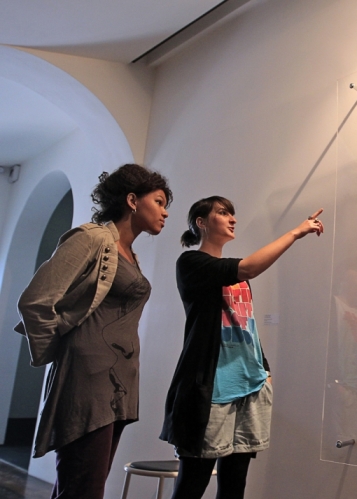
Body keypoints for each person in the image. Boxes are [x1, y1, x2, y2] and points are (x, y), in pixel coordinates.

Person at [14, 164, 172, 499]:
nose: (165, 212)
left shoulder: (130, 254)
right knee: (84, 486)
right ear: (132, 200)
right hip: (90, 378)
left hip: (120, 381)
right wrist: (63, 350)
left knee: (84, 483)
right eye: (159, 201)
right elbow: (35, 302)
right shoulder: (93, 239)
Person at [160, 196, 324, 499]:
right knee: (193, 482)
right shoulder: (192, 263)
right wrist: (295, 232)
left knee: (235, 483)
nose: (232, 219)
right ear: (201, 222)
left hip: (250, 386)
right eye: (223, 213)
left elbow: (245, 326)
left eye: (232, 213)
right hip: (212, 388)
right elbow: (248, 268)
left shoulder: (236, 277)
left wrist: (265, 368)